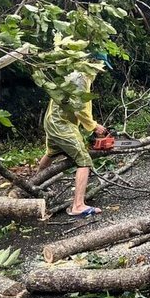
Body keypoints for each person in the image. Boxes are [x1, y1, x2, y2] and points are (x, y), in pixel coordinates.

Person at [35, 53, 112, 217]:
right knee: (84, 160)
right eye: (101, 66)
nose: (101, 70)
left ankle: (33, 186)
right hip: (61, 124)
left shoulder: (75, 72)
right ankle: (78, 205)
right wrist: (93, 126)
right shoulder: (81, 77)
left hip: (54, 121)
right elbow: (79, 108)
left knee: (51, 153)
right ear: (94, 63)